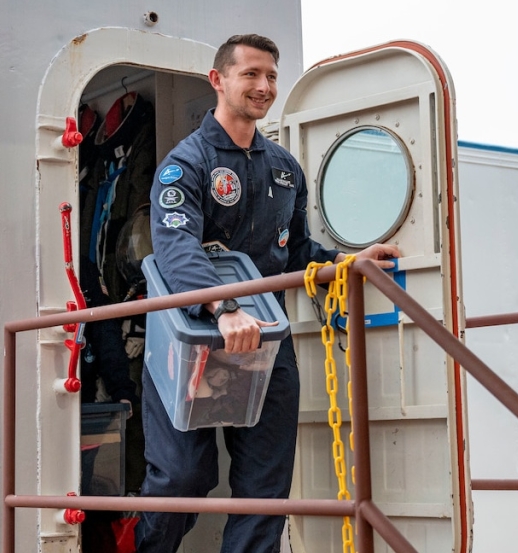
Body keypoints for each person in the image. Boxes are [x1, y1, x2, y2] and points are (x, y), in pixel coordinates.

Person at [136, 34, 401, 553]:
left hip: (266, 344)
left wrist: (348, 262)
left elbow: (296, 251)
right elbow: (177, 250)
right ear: (219, 80)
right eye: (251, 74)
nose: (263, 86)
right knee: (183, 478)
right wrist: (225, 308)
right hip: (191, 339)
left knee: (265, 489)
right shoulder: (183, 166)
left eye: (272, 76)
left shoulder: (284, 168)